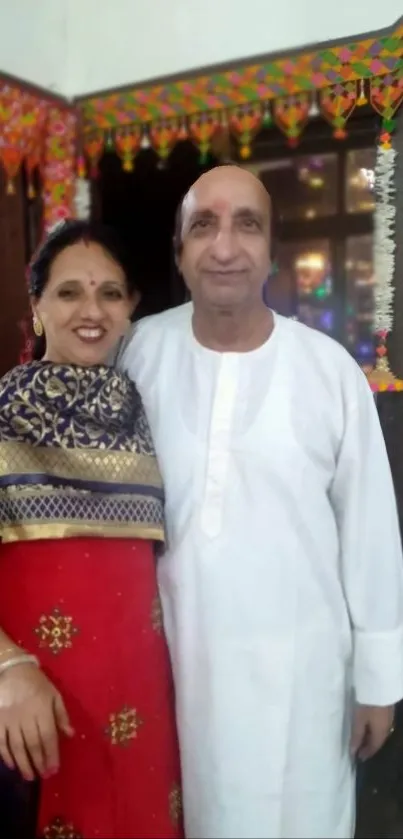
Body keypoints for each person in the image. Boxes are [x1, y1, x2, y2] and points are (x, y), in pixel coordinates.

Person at [119, 165, 403, 839]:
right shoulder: (137, 354)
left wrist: (378, 679)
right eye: (203, 225)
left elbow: (368, 530)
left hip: (301, 680)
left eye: (246, 224)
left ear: (272, 250)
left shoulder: (327, 368)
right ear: (179, 250)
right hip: (173, 670)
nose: (224, 246)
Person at [0, 220, 183, 839]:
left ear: (130, 310)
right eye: (70, 291)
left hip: (146, 696)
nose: (92, 309)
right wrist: (7, 671)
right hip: (32, 707)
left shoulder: (148, 414)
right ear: (38, 307)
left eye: (110, 292)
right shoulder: (2, 416)